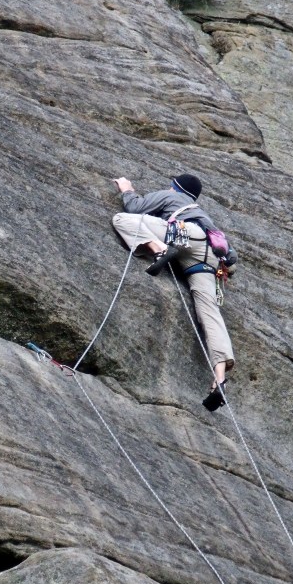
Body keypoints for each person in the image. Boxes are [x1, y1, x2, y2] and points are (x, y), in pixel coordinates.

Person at [112, 173, 235, 411]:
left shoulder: (173, 198)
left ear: (174, 188)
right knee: (209, 313)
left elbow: (135, 207)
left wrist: (127, 189)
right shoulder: (205, 216)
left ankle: (158, 249)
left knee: (121, 219)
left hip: (183, 234)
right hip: (209, 258)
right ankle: (219, 377)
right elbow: (231, 257)